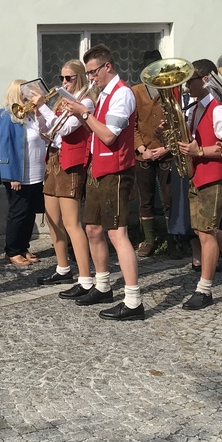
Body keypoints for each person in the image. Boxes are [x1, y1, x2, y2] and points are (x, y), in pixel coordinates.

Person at [59, 44, 143, 320]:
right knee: (93, 228)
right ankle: (103, 284)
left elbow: (108, 135)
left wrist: (83, 114)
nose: (91, 77)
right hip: (99, 167)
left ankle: (133, 299)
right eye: (88, 72)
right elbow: (95, 130)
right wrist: (78, 114)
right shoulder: (104, 94)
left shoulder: (122, 94)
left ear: (108, 66)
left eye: (94, 71)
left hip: (116, 170)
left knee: (117, 233)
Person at [177, 59, 222, 309]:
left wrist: (200, 151)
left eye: (190, 80)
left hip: (216, 176)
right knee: (203, 229)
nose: (186, 86)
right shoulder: (196, 108)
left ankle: (204, 289)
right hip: (200, 173)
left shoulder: (219, 109)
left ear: (205, 79)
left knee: (206, 231)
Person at [36, 60, 95, 294]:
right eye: (62, 78)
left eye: (68, 78)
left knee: (72, 223)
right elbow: (48, 131)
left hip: (70, 162)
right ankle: (62, 268)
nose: (63, 83)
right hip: (53, 158)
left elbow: (66, 129)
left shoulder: (86, 101)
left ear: (79, 78)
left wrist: (42, 107)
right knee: (52, 218)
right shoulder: (63, 101)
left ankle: (85, 278)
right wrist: (38, 114)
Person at [0, 79, 48, 267]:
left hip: (36, 171)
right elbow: (3, 147)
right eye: (25, 92)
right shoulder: (4, 116)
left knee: (30, 213)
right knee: (18, 212)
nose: (29, 96)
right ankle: (12, 250)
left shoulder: (31, 115)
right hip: (17, 173)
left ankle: (23, 247)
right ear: (16, 93)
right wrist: (11, 174)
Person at [132, 50, 172, 258]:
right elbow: (133, 125)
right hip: (143, 154)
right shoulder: (136, 91)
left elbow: (177, 123)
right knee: (145, 200)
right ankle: (149, 239)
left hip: (167, 153)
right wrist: (142, 149)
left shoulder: (170, 88)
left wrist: (167, 148)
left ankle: (173, 239)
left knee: (169, 199)